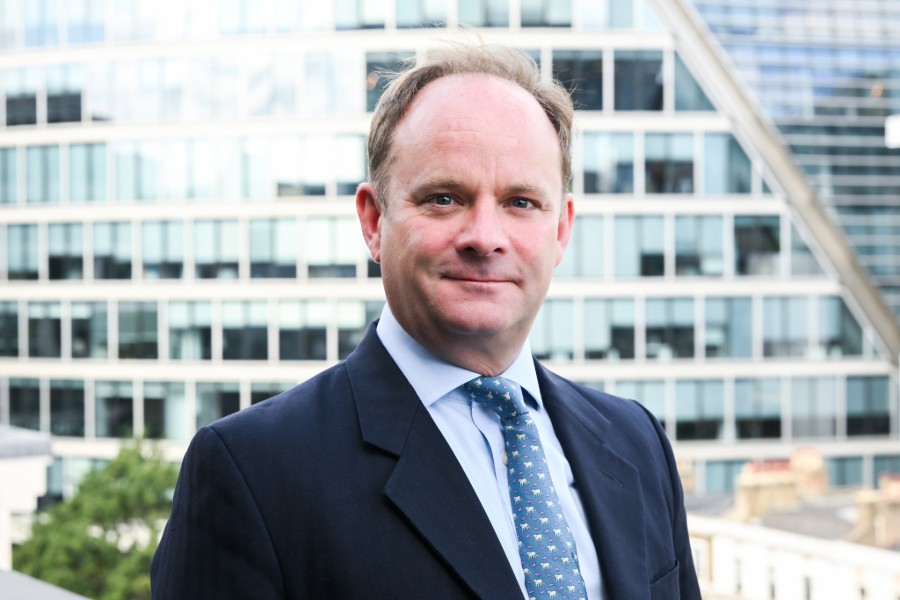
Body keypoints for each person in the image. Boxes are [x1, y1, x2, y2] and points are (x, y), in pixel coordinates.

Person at [151, 40, 701, 600]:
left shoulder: (636, 442)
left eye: (520, 202)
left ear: (560, 229)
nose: (485, 237)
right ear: (373, 221)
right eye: (444, 198)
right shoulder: (252, 471)